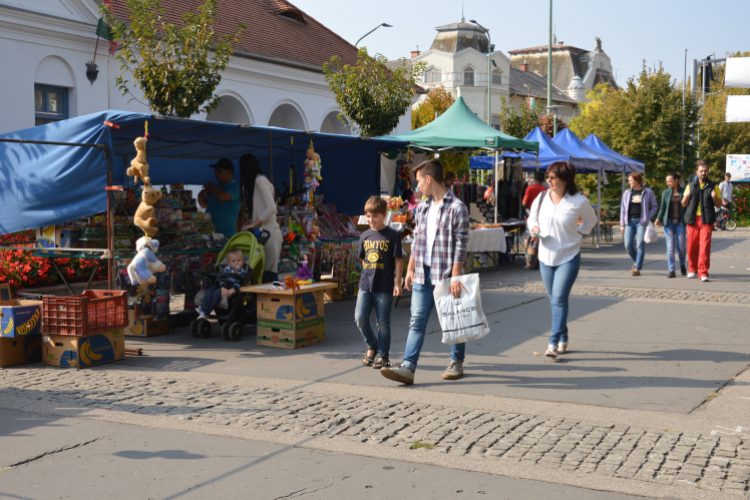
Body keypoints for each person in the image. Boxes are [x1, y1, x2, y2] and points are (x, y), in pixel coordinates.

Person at [381, 158, 470, 385]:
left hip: (447, 274)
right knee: (416, 320)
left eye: (419, 181)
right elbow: (418, 241)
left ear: (429, 179)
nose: (417, 186)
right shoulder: (422, 208)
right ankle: (408, 368)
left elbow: (461, 245)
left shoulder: (457, 208)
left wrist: (456, 276)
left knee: (452, 319)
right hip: (422, 272)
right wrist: (409, 270)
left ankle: (456, 360)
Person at [527, 161, 597, 358]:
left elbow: (591, 220)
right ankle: (563, 336)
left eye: (552, 177)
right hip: (545, 256)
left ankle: (553, 342)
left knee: (558, 299)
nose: (548, 180)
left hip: (569, 255)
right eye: (548, 177)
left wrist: (580, 233)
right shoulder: (541, 197)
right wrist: (534, 228)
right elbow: (532, 218)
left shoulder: (578, 201)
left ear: (565, 179)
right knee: (555, 300)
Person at [356, 196, 403, 369]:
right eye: (368, 216)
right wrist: (368, 274)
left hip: (384, 286)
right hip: (366, 285)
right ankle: (372, 344)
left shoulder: (393, 235)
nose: (371, 220)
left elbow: (398, 260)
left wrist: (397, 283)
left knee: (383, 322)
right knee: (360, 318)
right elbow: (363, 259)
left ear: (384, 214)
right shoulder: (364, 236)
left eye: (375, 216)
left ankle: (383, 354)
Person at [238, 153, 283, 283]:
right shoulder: (260, 180)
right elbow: (266, 210)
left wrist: (253, 224)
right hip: (265, 234)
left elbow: (271, 208)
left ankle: (274, 303)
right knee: (265, 275)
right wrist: (251, 222)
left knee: (269, 274)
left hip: (269, 234)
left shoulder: (259, 180)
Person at [682, 161, 722, 282]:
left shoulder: (713, 186)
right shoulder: (690, 186)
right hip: (692, 220)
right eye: (701, 171)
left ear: (708, 172)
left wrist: (715, 197)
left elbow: (719, 205)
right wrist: (687, 195)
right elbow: (683, 204)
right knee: (691, 246)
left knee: (704, 247)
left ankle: (703, 272)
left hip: (706, 220)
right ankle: (692, 269)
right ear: (697, 172)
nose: (703, 173)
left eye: (705, 171)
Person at [619, 172, 657, 276]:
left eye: (631, 180)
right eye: (629, 180)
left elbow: (654, 206)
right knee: (628, 245)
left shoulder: (648, 192)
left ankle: (637, 268)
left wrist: (648, 217)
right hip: (629, 222)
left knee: (640, 244)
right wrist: (622, 224)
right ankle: (636, 261)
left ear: (638, 180)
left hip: (641, 222)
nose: (629, 182)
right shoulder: (627, 193)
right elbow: (623, 209)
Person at [197, 249, 247, 320]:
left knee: (217, 294)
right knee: (209, 292)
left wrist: (233, 289)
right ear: (229, 263)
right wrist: (222, 288)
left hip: (229, 288)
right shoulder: (227, 269)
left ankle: (205, 312)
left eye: (239, 260)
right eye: (233, 261)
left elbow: (238, 282)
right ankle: (203, 310)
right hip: (220, 285)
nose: (237, 263)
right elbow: (222, 279)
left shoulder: (242, 272)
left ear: (243, 261)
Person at [198, 158, 241, 239]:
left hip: (227, 236)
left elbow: (222, 197)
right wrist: (200, 198)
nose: (215, 173)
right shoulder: (216, 188)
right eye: (215, 171)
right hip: (210, 234)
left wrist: (210, 185)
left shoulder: (235, 188)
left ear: (228, 172)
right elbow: (205, 205)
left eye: (218, 171)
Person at [654, 172, 687, 278]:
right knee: (670, 247)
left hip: (680, 223)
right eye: (667, 181)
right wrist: (658, 218)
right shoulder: (666, 192)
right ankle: (671, 270)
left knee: (681, 247)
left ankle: (682, 263)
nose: (668, 183)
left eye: (670, 181)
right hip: (669, 224)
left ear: (676, 180)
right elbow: (663, 206)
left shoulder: (684, 191)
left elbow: (687, 205)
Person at [522, 171, 548, 270]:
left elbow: (524, 203)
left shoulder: (530, 188)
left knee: (530, 240)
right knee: (540, 240)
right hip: (542, 217)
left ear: (535, 179)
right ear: (544, 179)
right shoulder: (545, 190)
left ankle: (530, 262)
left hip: (530, 216)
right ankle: (539, 262)